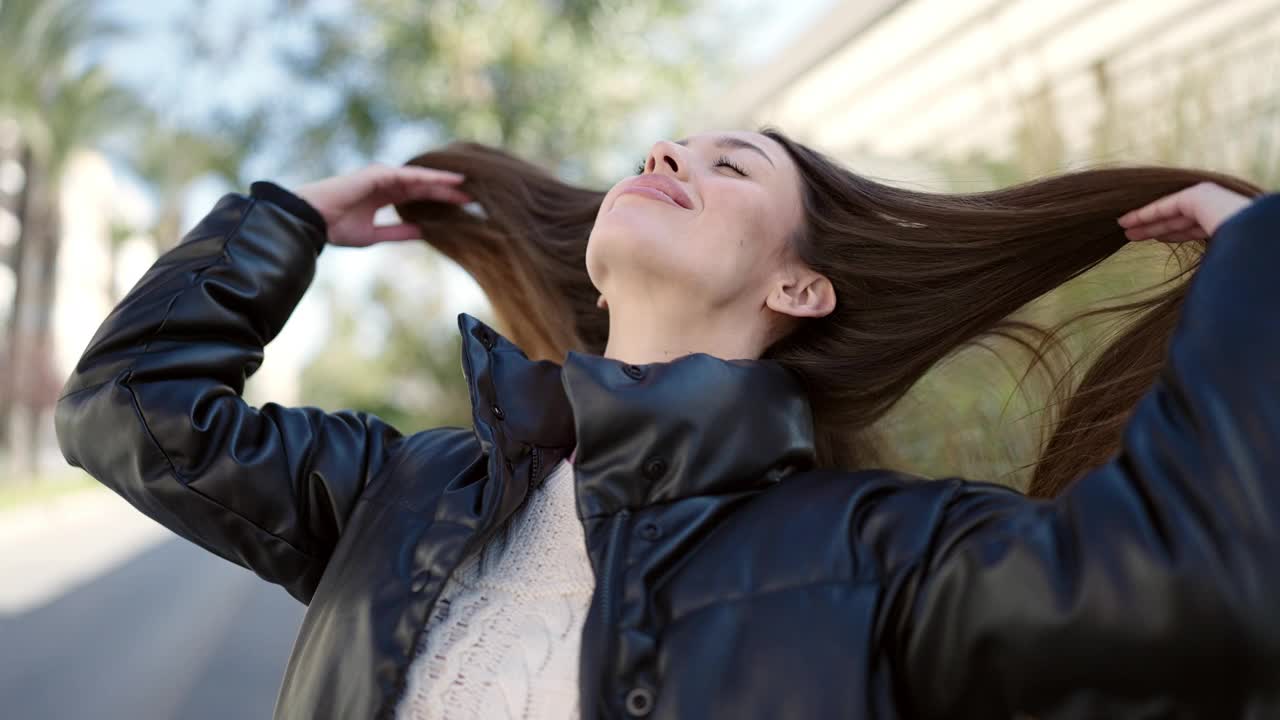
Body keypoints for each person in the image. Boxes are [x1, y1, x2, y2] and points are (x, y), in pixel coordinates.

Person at [54, 128, 1278, 720]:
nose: (671, 152)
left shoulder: (877, 557)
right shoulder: (404, 492)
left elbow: (1188, 580)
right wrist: (285, 218)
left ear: (798, 286)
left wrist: (1255, 268)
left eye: (730, 166)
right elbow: (131, 410)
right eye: (666, 147)